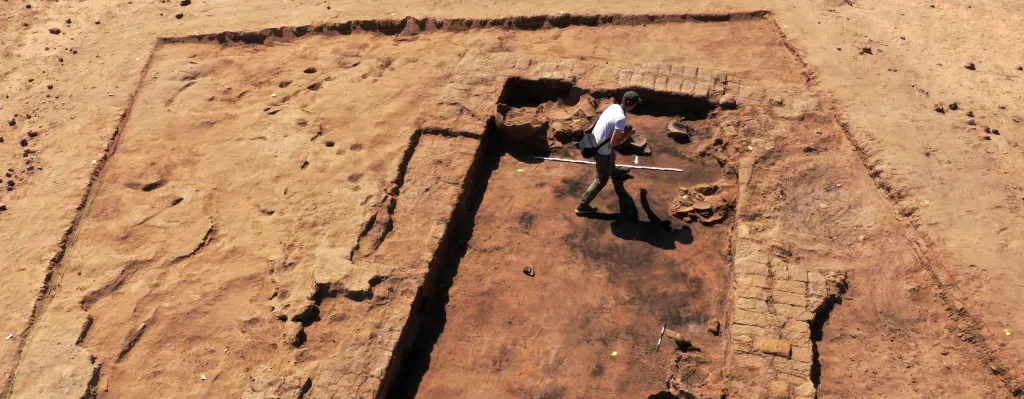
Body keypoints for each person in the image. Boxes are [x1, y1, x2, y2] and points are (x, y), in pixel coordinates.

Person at [576, 91, 641, 216]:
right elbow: (613, 144)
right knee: (601, 179)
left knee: (612, 156)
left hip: (594, 141)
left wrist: (621, 133)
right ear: (632, 105)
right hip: (601, 152)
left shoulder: (614, 107)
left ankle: (614, 172)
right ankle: (582, 205)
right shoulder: (621, 118)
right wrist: (626, 135)